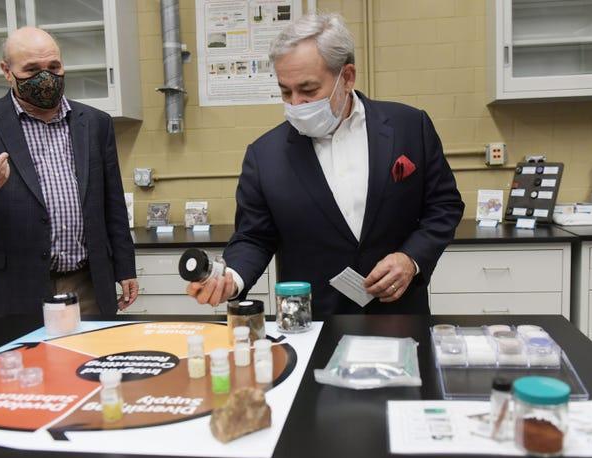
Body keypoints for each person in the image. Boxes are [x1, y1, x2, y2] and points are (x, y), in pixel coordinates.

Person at [187, 13, 464, 317]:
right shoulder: (264, 156)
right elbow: (254, 237)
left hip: (398, 314)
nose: (296, 103)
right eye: (285, 91)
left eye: (308, 90)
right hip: (312, 321)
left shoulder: (409, 127)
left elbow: (444, 206)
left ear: (347, 77)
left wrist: (410, 259)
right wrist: (232, 278)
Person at [0, 27, 138, 322]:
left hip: (88, 284)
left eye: (53, 67)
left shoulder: (95, 123)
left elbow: (113, 205)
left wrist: (125, 268)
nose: (46, 77)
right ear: (7, 71)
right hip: (14, 290)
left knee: (89, 364)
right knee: (25, 367)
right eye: (31, 69)